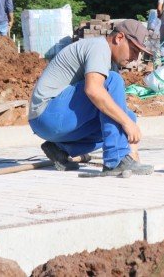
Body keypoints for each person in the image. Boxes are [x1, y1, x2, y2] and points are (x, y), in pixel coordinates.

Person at [28, 19, 154, 176]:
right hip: (46, 113)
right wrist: (127, 124)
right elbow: (93, 90)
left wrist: (133, 155)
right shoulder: (99, 48)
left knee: (124, 116)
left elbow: (118, 114)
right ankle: (115, 161)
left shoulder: (109, 61)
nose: (135, 58)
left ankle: (59, 149)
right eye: (134, 50)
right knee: (114, 83)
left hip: (52, 124)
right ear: (119, 38)